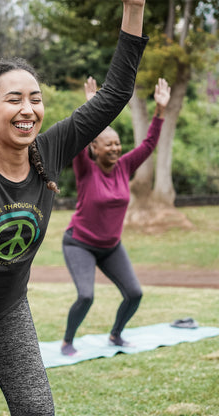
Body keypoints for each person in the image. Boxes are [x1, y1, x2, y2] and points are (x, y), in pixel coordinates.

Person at [0, 0, 147, 414]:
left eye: (35, 99)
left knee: (37, 410)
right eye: (14, 99)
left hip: (5, 310)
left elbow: (116, 93)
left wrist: (135, 7)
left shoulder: (51, 150)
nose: (27, 110)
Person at [60, 77, 171, 356]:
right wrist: (92, 108)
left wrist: (160, 110)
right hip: (79, 243)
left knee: (134, 293)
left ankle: (115, 335)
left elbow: (148, 144)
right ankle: (67, 342)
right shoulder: (85, 168)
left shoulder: (124, 166)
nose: (115, 148)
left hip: (111, 247)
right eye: (107, 144)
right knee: (86, 296)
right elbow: (80, 135)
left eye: (117, 143)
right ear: (94, 148)